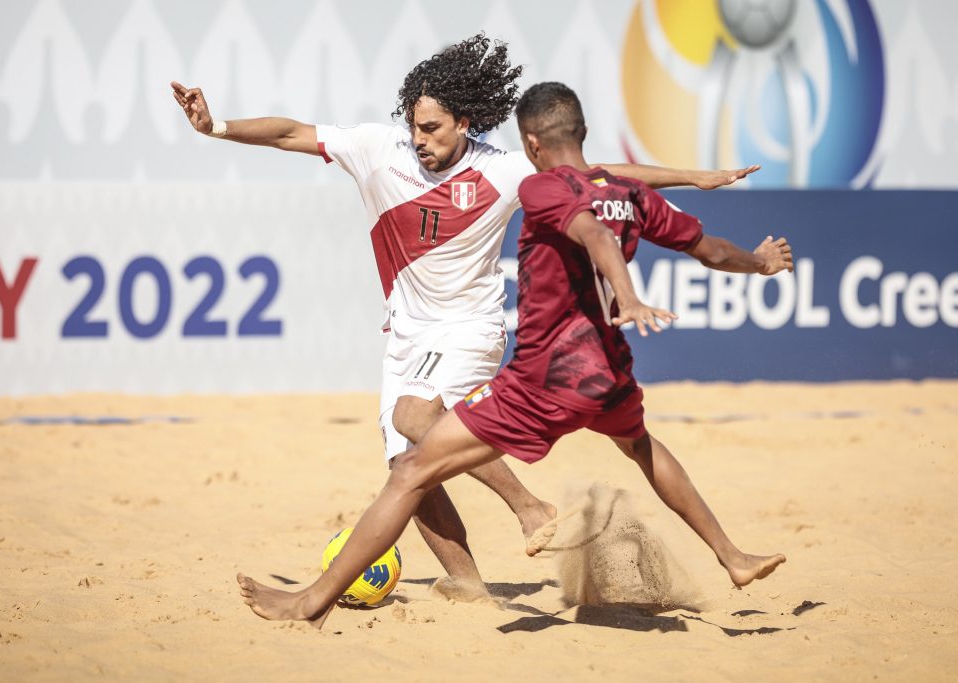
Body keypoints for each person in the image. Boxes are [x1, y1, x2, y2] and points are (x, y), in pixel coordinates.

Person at [172, 34, 760, 602]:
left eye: (431, 127)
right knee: (404, 465)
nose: (418, 138)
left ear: (464, 124)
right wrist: (215, 127)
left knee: (413, 420)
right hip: (406, 332)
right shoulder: (379, 149)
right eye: (413, 125)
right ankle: (468, 584)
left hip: (470, 326)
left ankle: (528, 506)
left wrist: (695, 176)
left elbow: (593, 174)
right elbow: (289, 132)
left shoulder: (503, 170)